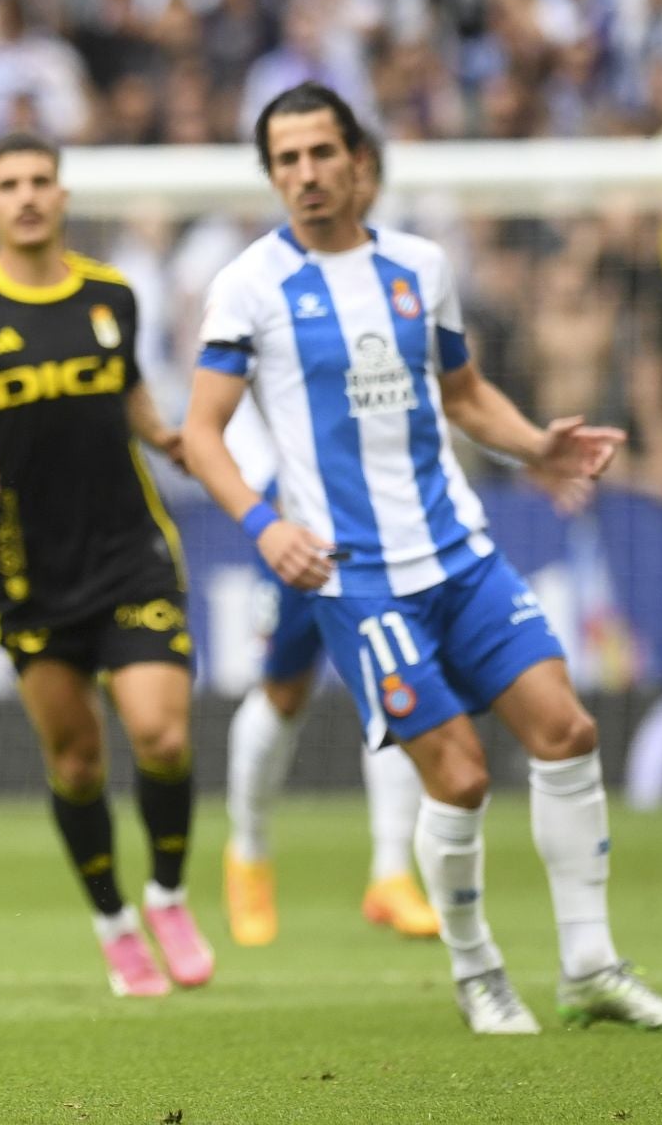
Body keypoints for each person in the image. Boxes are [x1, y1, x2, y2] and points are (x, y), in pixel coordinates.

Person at [183, 82, 662, 1035]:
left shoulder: (420, 267)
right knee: (459, 776)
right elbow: (202, 432)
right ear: (271, 176)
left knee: (568, 732)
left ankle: (590, 965)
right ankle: (478, 973)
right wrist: (264, 527)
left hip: (459, 553)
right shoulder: (249, 286)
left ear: (359, 162)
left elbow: (463, 396)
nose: (304, 174)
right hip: (356, 577)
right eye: (285, 160)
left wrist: (537, 445)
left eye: (319, 154)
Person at [0, 131, 211, 998]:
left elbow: (131, 387)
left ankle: (170, 894)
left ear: (63, 196)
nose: (27, 195)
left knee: (162, 733)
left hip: (131, 549)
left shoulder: (113, 295)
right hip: (32, 568)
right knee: (75, 762)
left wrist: (167, 434)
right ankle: (114, 924)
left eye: (41, 180)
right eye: (8, 183)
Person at [221, 134, 441, 947]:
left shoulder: (409, 275)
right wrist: (268, 507)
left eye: (351, 166)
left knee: (396, 688)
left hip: (400, 531)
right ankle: (247, 854)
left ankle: (391, 872)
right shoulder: (267, 282)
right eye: (299, 163)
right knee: (283, 692)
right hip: (309, 532)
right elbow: (229, 397)